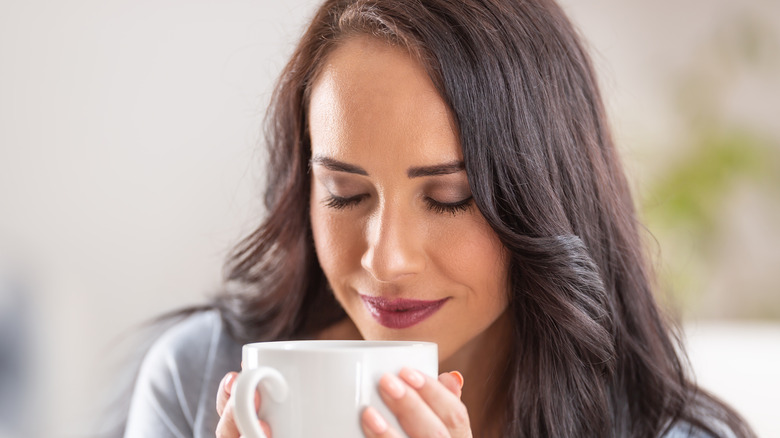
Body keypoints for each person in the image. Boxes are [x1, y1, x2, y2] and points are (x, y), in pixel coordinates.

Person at [122, 0, 756, 437]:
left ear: (542, 199)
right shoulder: (199, 375)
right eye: (345, 192)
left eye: (449, 197)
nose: (386, 260)